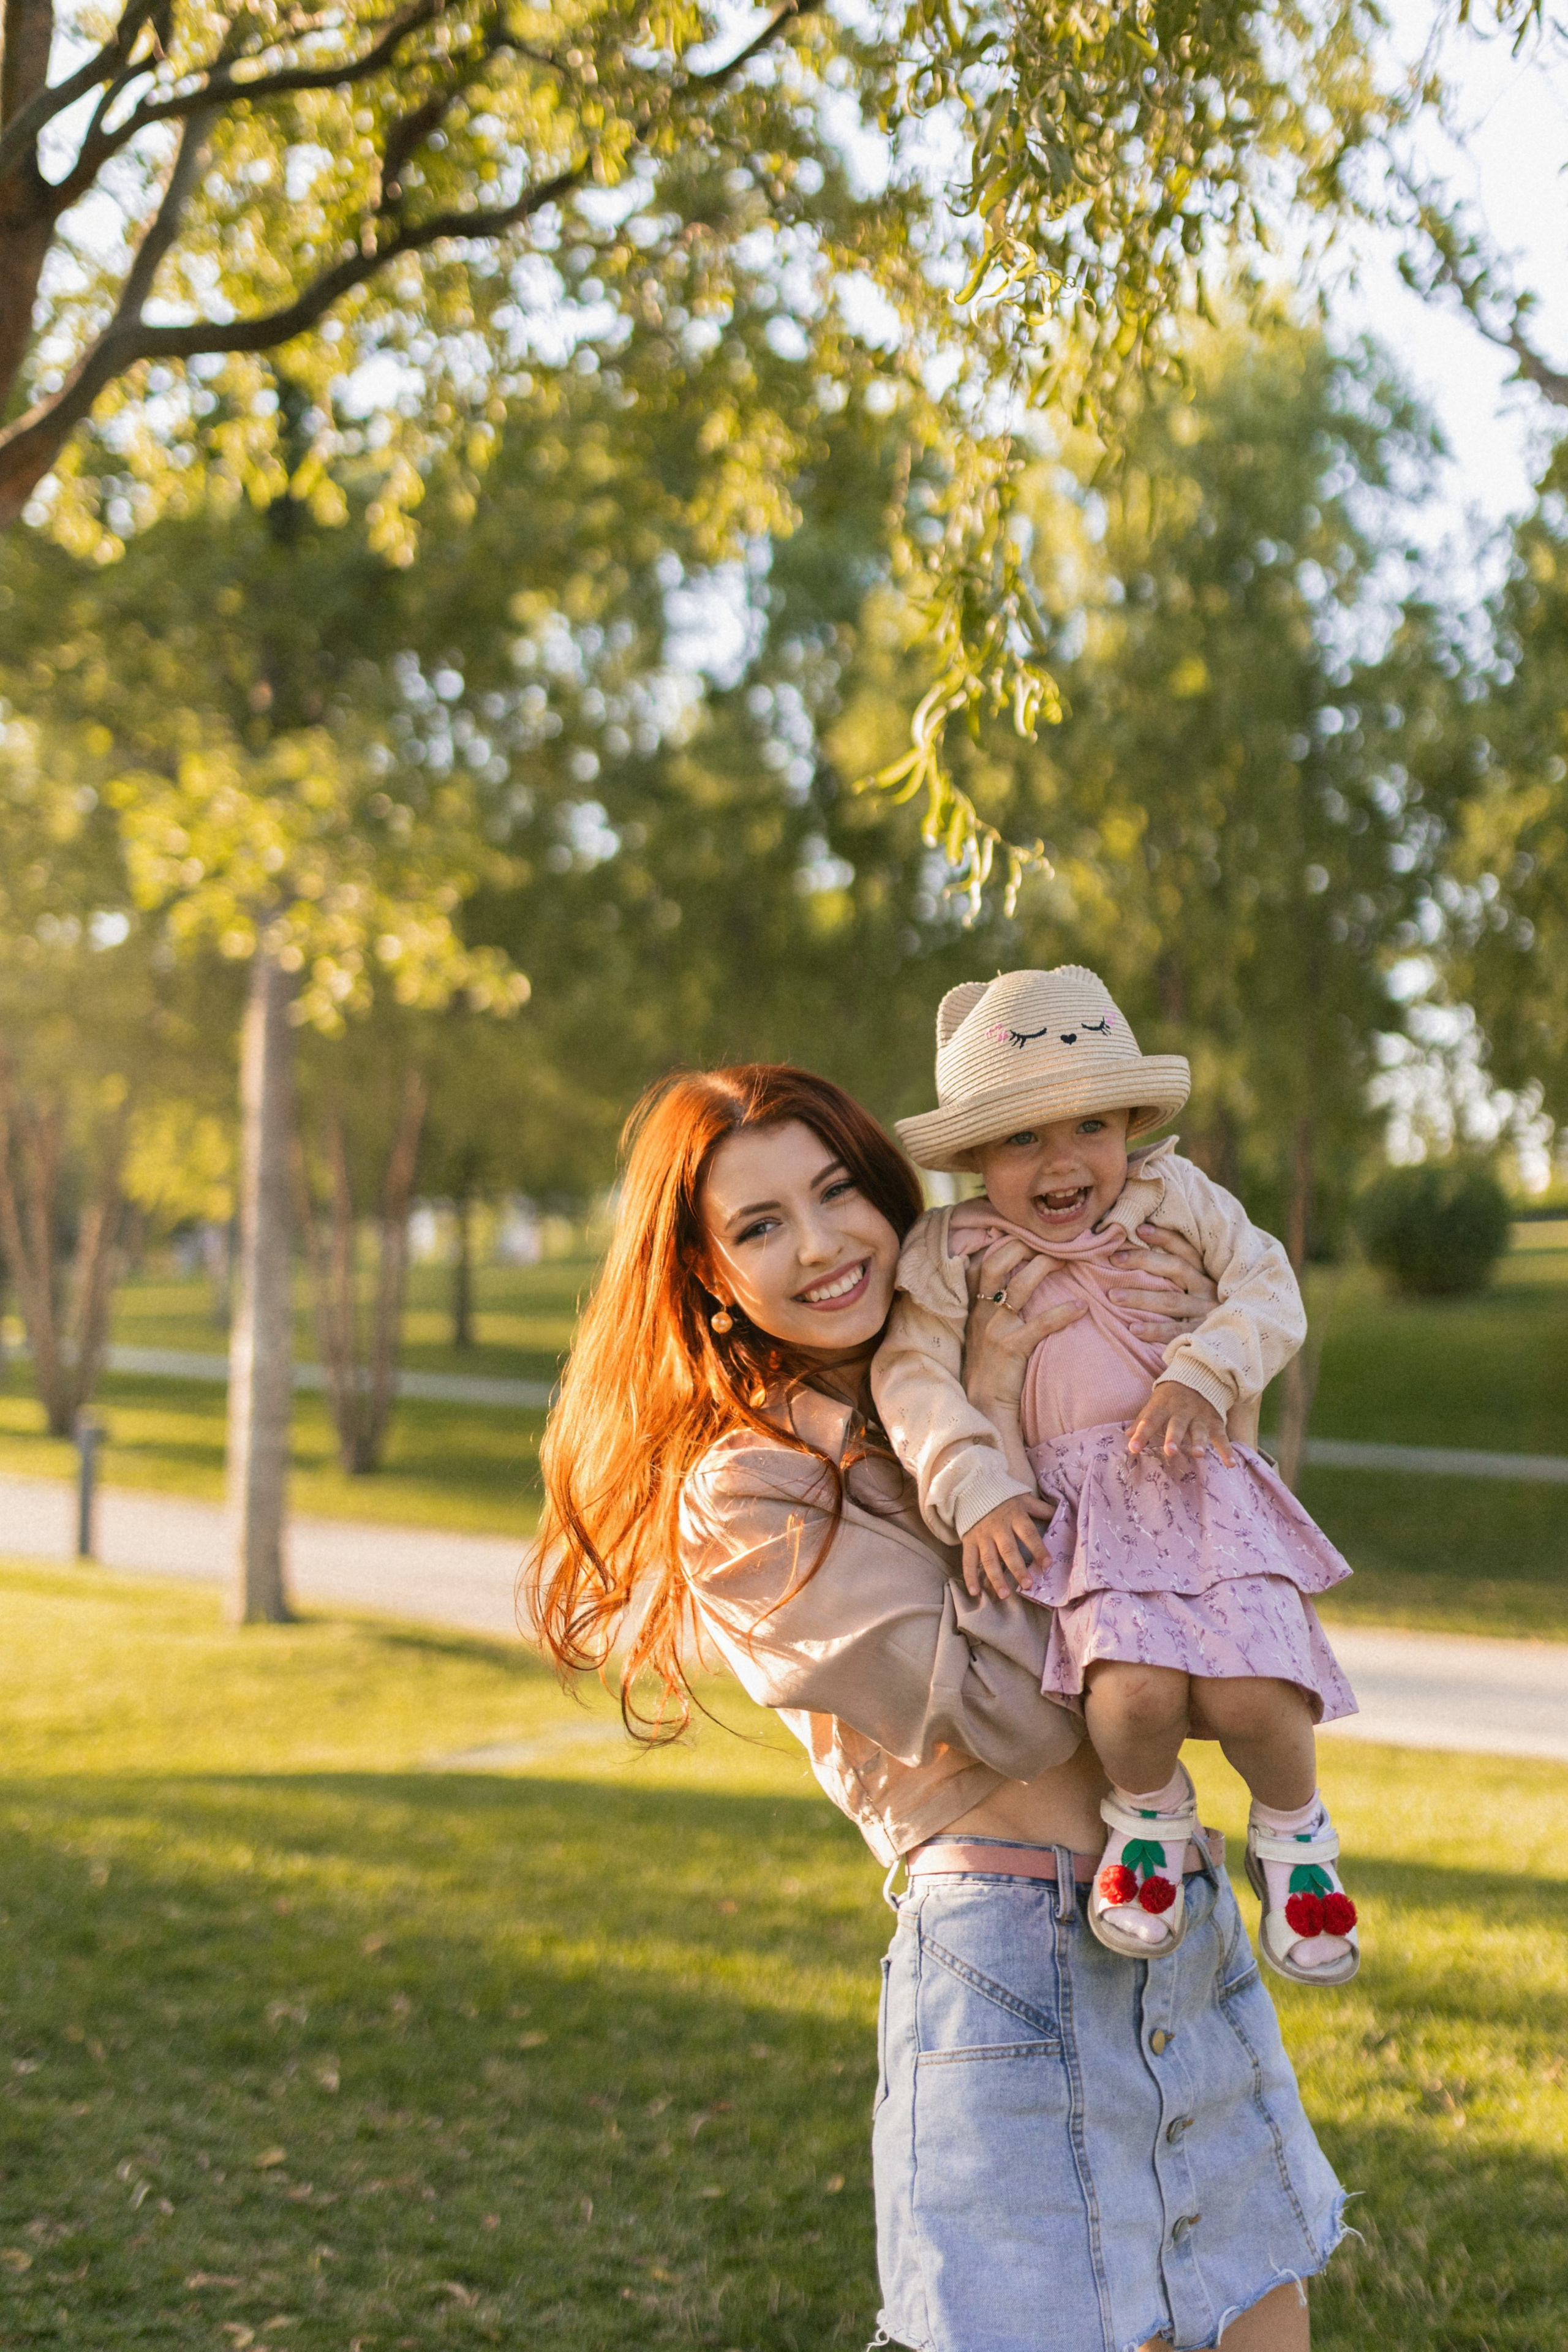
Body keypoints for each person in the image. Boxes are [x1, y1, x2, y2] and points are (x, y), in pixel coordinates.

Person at [529, 1061, 1347, 2352]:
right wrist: (1012, 1392)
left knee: (1253, 2311)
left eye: (836, 1193)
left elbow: (1210, 1546)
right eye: (756, 1226)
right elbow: (1020, 1715)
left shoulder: (973, 1377)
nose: (819, 1246)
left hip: (1173, 1905)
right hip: (1014, 1956)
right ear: (701, 1271)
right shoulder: (748, 1496)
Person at [873, 965, 1359, 1984]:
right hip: (1083, 1511)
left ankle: (1294, 1828)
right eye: (1022, 1138)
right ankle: (1149, 1817)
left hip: (1202, 1485)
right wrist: (978, 1487)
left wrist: (1203, 1368)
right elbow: (912, 1379)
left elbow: (1270, 1291)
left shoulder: (1177, 1197)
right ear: (974, 1157)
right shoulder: (951, 1249)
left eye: (1091, 1127)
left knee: (1255, 1697)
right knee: (1130, 1701)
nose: (1064, 1161)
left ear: (1130, 1124)